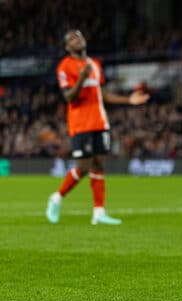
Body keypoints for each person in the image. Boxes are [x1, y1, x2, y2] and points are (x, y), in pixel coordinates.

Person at [46, 29, 149, 225]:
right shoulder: (65, 66)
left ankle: (99, 212)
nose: (77, 40)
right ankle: (56, 198)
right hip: (80, 123)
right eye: (72, 39)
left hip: (100, 121)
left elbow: (105, 95)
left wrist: (129, 100)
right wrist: (82, 78)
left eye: (79, 36)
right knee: (83, 167)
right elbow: (68, 97)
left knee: (99, 164)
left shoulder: (94, 64)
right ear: (68, 47)